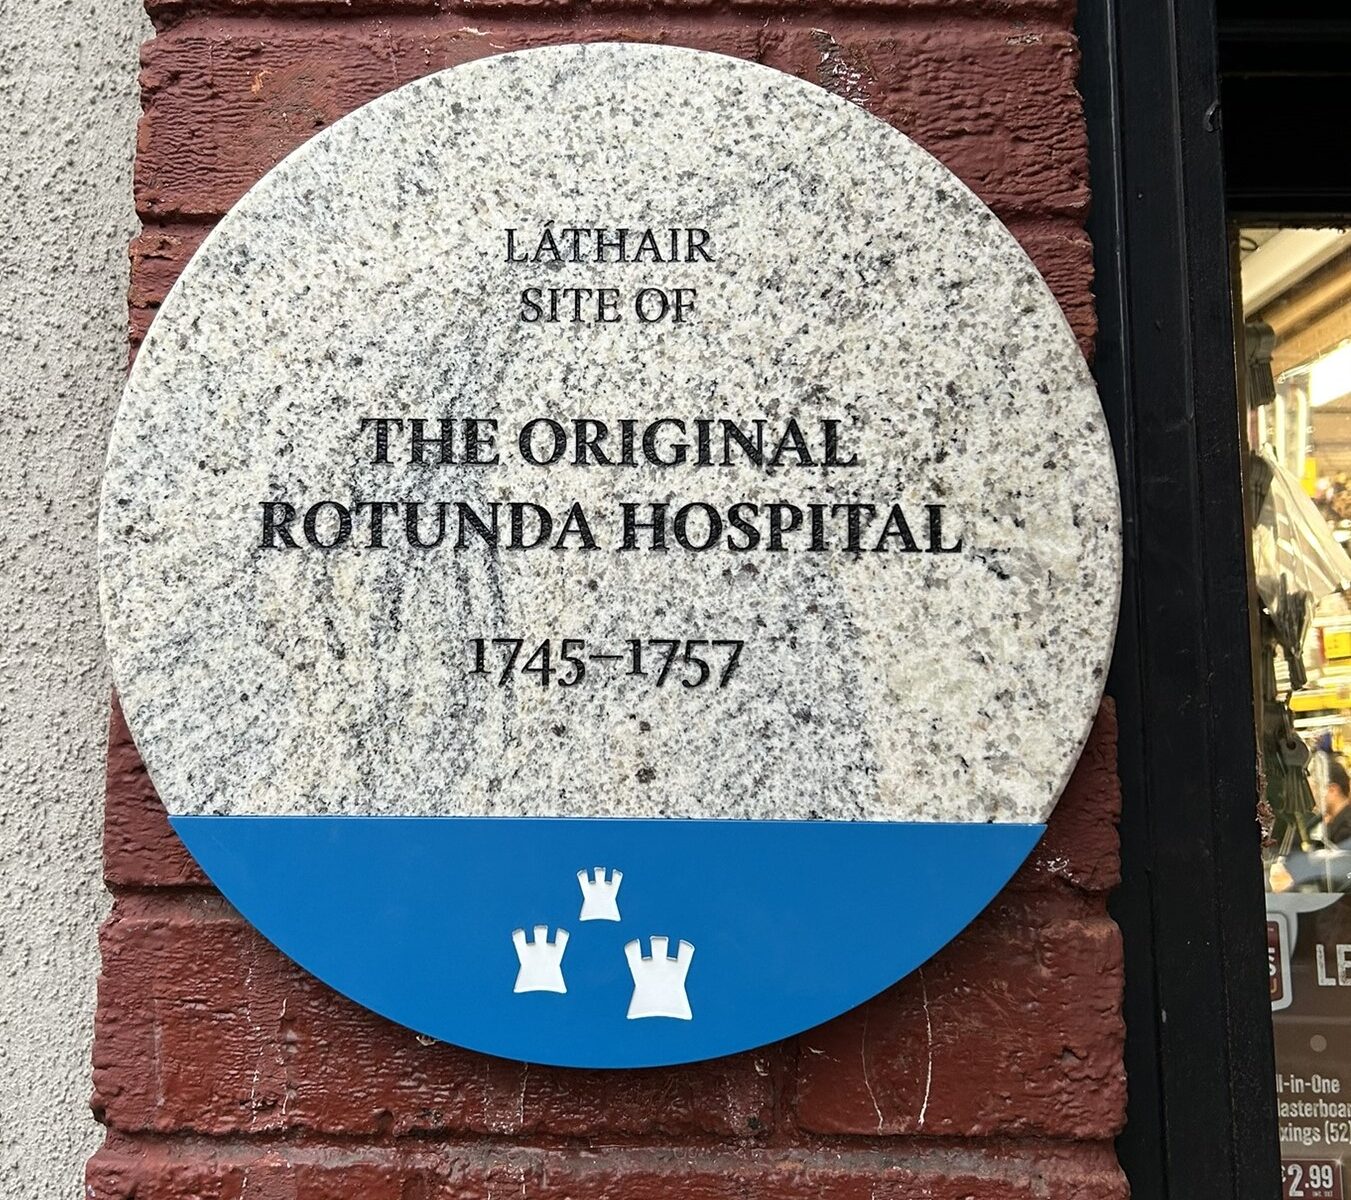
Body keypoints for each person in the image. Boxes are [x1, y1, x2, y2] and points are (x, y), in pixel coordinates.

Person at [1271, 760, 1351, 892]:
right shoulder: (1320, 822)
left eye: (1314, 789)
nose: (1312, 796)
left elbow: (1338, 874)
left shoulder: (1346, 828)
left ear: (1332, 790)